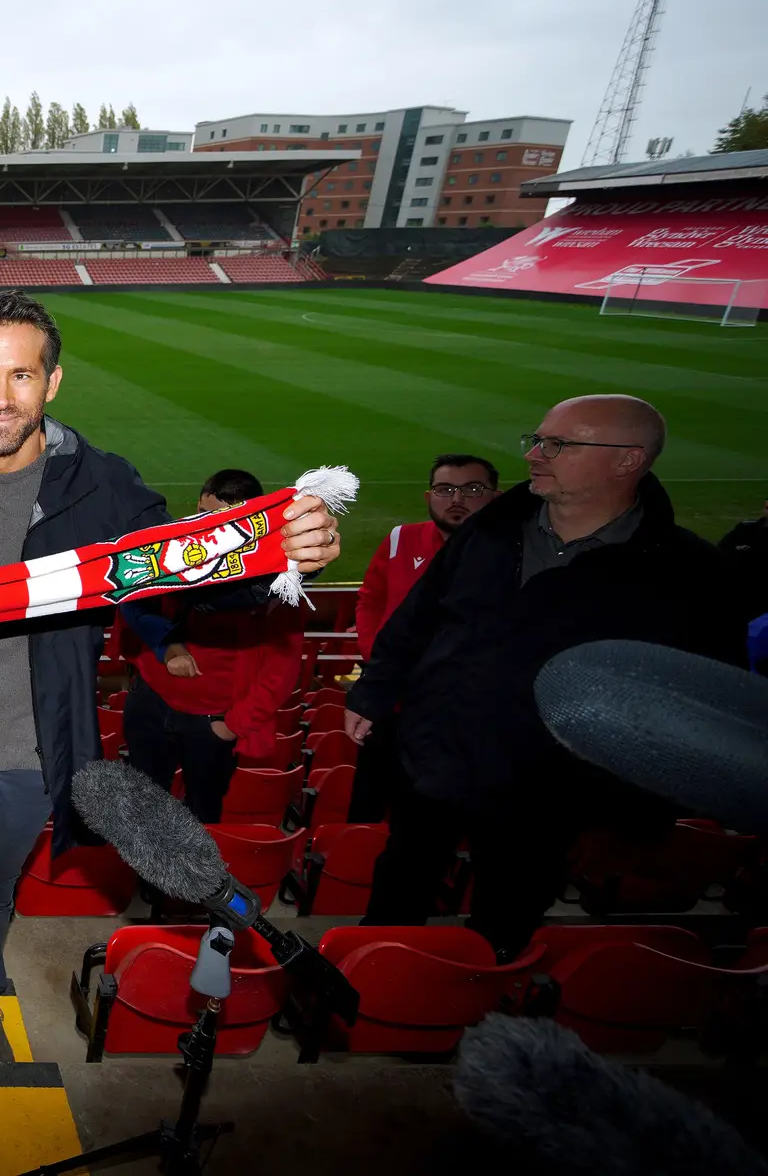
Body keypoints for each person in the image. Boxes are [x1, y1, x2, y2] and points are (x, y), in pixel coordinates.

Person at [0, 289, 341, 1064]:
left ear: (52, 383)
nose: (1, 399)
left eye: (21, 376)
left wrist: (275, 561)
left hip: (32, 755)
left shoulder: (104, 487)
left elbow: (181, 570)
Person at [346, 395, 751, 960]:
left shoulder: (692, 573)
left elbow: (698, 708)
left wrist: (637, 818)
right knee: (394, 903)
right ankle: (374, 995)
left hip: (548, 793)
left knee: (503, 927)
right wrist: (375, 690)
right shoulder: (488, 531)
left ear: (628, 460)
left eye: (559, 444)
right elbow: (420, 617)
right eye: (537, 439)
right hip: (435, 760)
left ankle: (476, 1021)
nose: (536, 455)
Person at [121, 470, 306, 825]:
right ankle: (142, 880)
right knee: (142, 815)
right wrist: (167, 645)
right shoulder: (174, 548)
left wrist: (232, 725)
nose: (214, 529)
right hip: (152, 704)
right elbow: (131, 600)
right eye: (206, 516)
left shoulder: (277, 578)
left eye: (230, 521)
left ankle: (186, 882)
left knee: (201, 821)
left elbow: (281, 669)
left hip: (213, 722)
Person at [347, 453, 500, 820]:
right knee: (367, 802)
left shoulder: (510, 556)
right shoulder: (401, 539)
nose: (457, 500)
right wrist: (376, 659)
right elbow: (370, 600)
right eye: (445, 489)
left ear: (495, 497)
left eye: (472, 489)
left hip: (456, 716)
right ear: (429, 496)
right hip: (388, 704)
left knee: (427, 818)